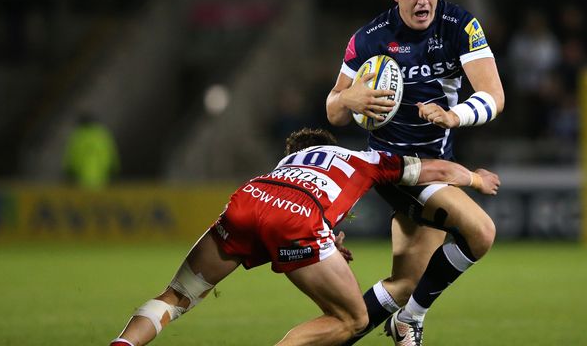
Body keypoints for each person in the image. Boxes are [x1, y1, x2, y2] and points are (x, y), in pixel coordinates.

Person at [109, 128, 500, 346]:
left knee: (178, 295)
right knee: (352, 319)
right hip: (296, 216)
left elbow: (279, 210)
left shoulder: (286, 163)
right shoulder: (358, 159)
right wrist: (475, 178)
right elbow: (434, 170)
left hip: (250, 196)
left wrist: (326, 239)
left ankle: (122, 345)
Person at [325, 0, 505, 345]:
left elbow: (494, 95)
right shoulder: (369, 38)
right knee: (481, 232)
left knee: (406, 282)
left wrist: (454, 116)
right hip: (394, 167)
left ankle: (333, 338)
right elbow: (333, 109)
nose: (424, 1)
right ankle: (410, 321)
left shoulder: (459, 25)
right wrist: (348, 99)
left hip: (436, 162)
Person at [62, 112, 120, 190]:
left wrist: (68, 171)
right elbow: (111, 155)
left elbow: (70, 158)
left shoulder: (77, 137)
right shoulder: (103, 135)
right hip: (102, 180)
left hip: (80, 181)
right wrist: (115, 169)